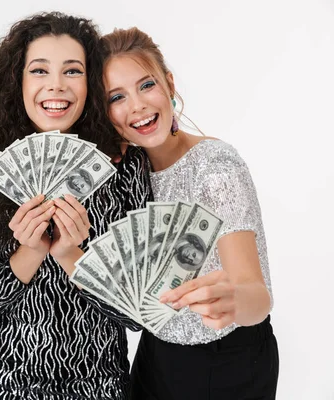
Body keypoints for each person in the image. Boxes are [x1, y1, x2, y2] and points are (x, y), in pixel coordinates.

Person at [0, 12, 151, 399]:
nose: (56, 86)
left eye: (72, 71)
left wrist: (71, 255)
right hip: (7, 383)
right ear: (18, 80)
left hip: (101, 384)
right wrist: (29, 252)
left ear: (90, 82)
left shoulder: (126, 165)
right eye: (39, 71)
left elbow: (136, 313)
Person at [102, 26, 278, 399]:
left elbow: (256, 295)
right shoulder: (128, 172)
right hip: (155, 354)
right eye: (117, 96)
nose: (137, 105)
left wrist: (232, 301)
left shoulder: (215, 167)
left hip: (227, 357)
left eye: (146, 85)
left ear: (168, 85)